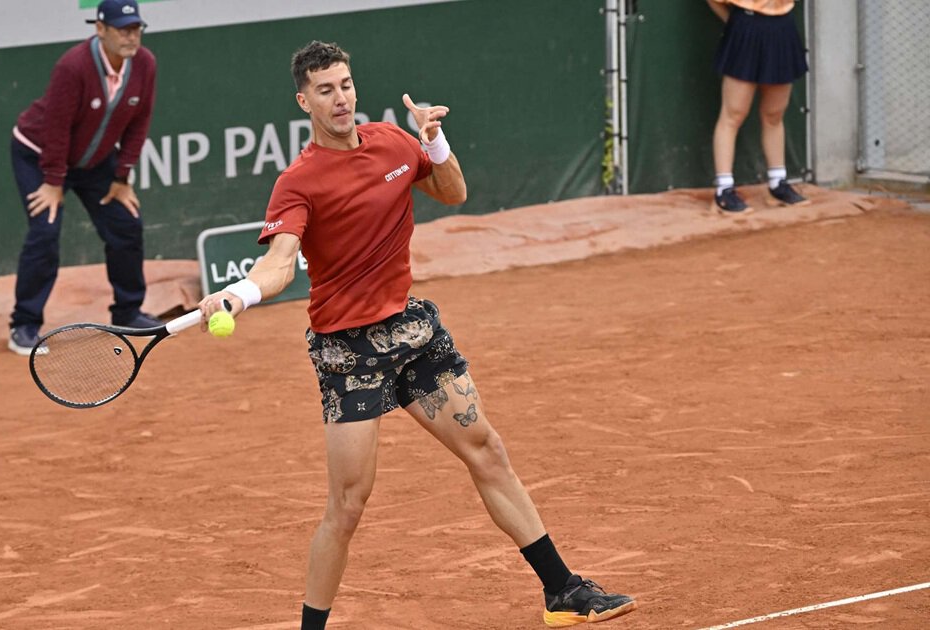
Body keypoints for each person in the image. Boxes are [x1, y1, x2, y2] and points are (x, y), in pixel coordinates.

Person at [198, 41, 638, 629]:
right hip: (349, 351)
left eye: (345, 84)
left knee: (487, 450)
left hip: (410, 330)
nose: (340, 98)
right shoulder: (298, 181)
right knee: (348, 505)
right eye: (325, 90)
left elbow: (453, 192)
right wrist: (239, 294)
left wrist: (433, 141)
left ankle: (562, 591)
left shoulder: (391, 142)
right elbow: (279, 263)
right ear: (304, 101)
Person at [7, 0, 161, 355]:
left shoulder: (145, 64)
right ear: (100, 29)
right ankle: (24, 325)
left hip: (94, 160)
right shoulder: (73, 65)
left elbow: (140, 121)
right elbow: (56, 127)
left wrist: (122, 177)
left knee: (126, 224)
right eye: (122, 29)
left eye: (135, 29)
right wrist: (53, 181)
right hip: (39, 154)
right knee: (45, 231)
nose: (130, 37)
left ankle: (128, 312)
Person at [708, 0, 810, 215]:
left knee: (774, 114)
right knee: (733, 115)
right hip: (746, 27)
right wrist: (735, 24)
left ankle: (777, 184)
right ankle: (724, 191)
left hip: (782, 28)